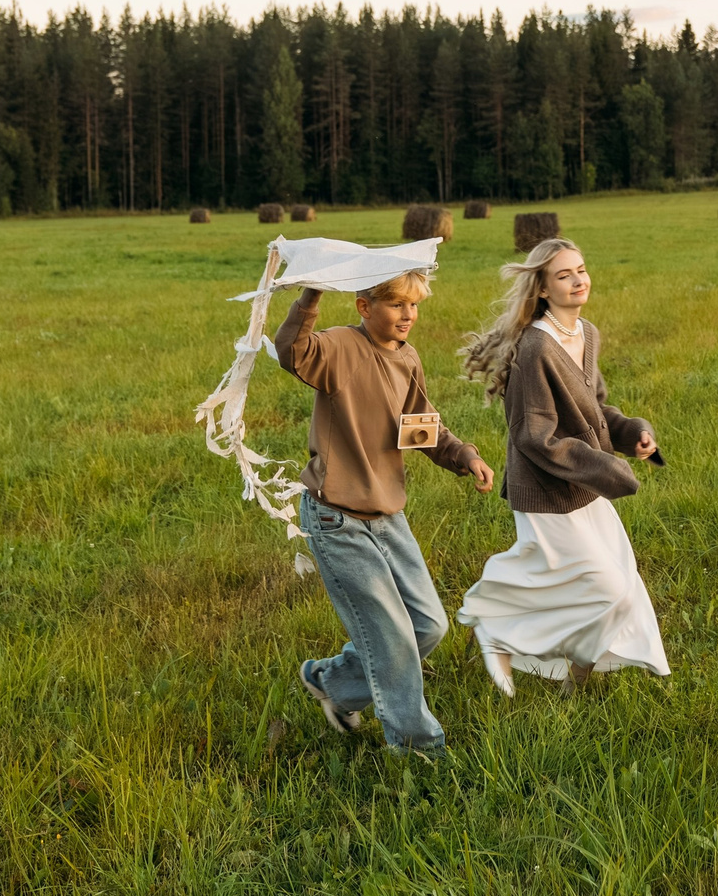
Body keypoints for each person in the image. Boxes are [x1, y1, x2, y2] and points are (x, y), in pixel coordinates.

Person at [270, 266, 496, 752]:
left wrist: (464, 456)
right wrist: (312, 291)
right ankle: (418, 749)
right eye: (396, 304)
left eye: (413, 305)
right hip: (338, 519)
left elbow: (421, 427)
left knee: (427, 625)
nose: (408, 315)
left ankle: (333, 684)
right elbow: (290, 351)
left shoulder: (408, 358)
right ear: (364, 306)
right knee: (392, 640)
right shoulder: (339, 349)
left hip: (389, 516)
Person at [454, 237, 671, 695]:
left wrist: (632, 434)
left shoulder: (586, 334)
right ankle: (496, 628)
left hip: (582, 486)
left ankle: (576, 678)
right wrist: (607, 469)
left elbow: (594, 410)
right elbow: (535, 437)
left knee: (619, 590)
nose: (578, 280)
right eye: (564, 275)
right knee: (605, 588)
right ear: (544, 290)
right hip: (545, 493)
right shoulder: (536, 349)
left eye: (582, 269)